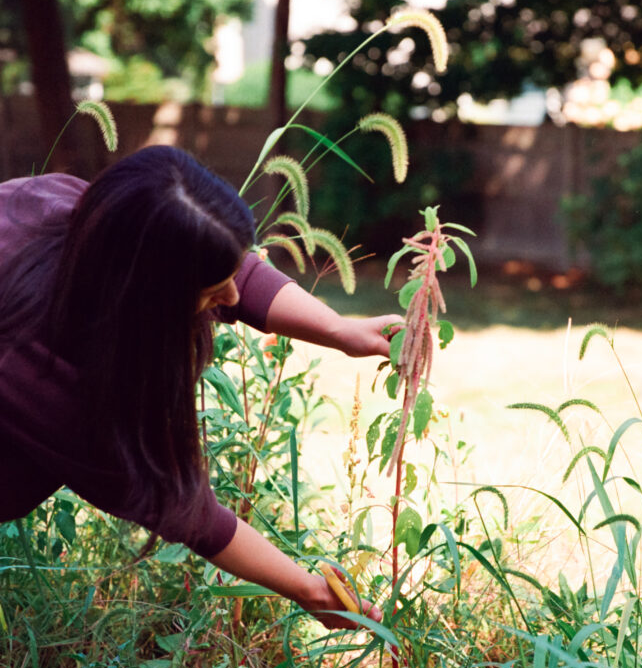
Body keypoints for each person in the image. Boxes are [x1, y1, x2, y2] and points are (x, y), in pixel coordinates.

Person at [0, 146, 397, 628]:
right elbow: (180, 503)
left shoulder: (70, 208)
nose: (230, 299)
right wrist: (307, 590)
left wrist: (341, 331)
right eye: (211, 293)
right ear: (146, 299)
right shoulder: (48, 379)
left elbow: (230, 270)